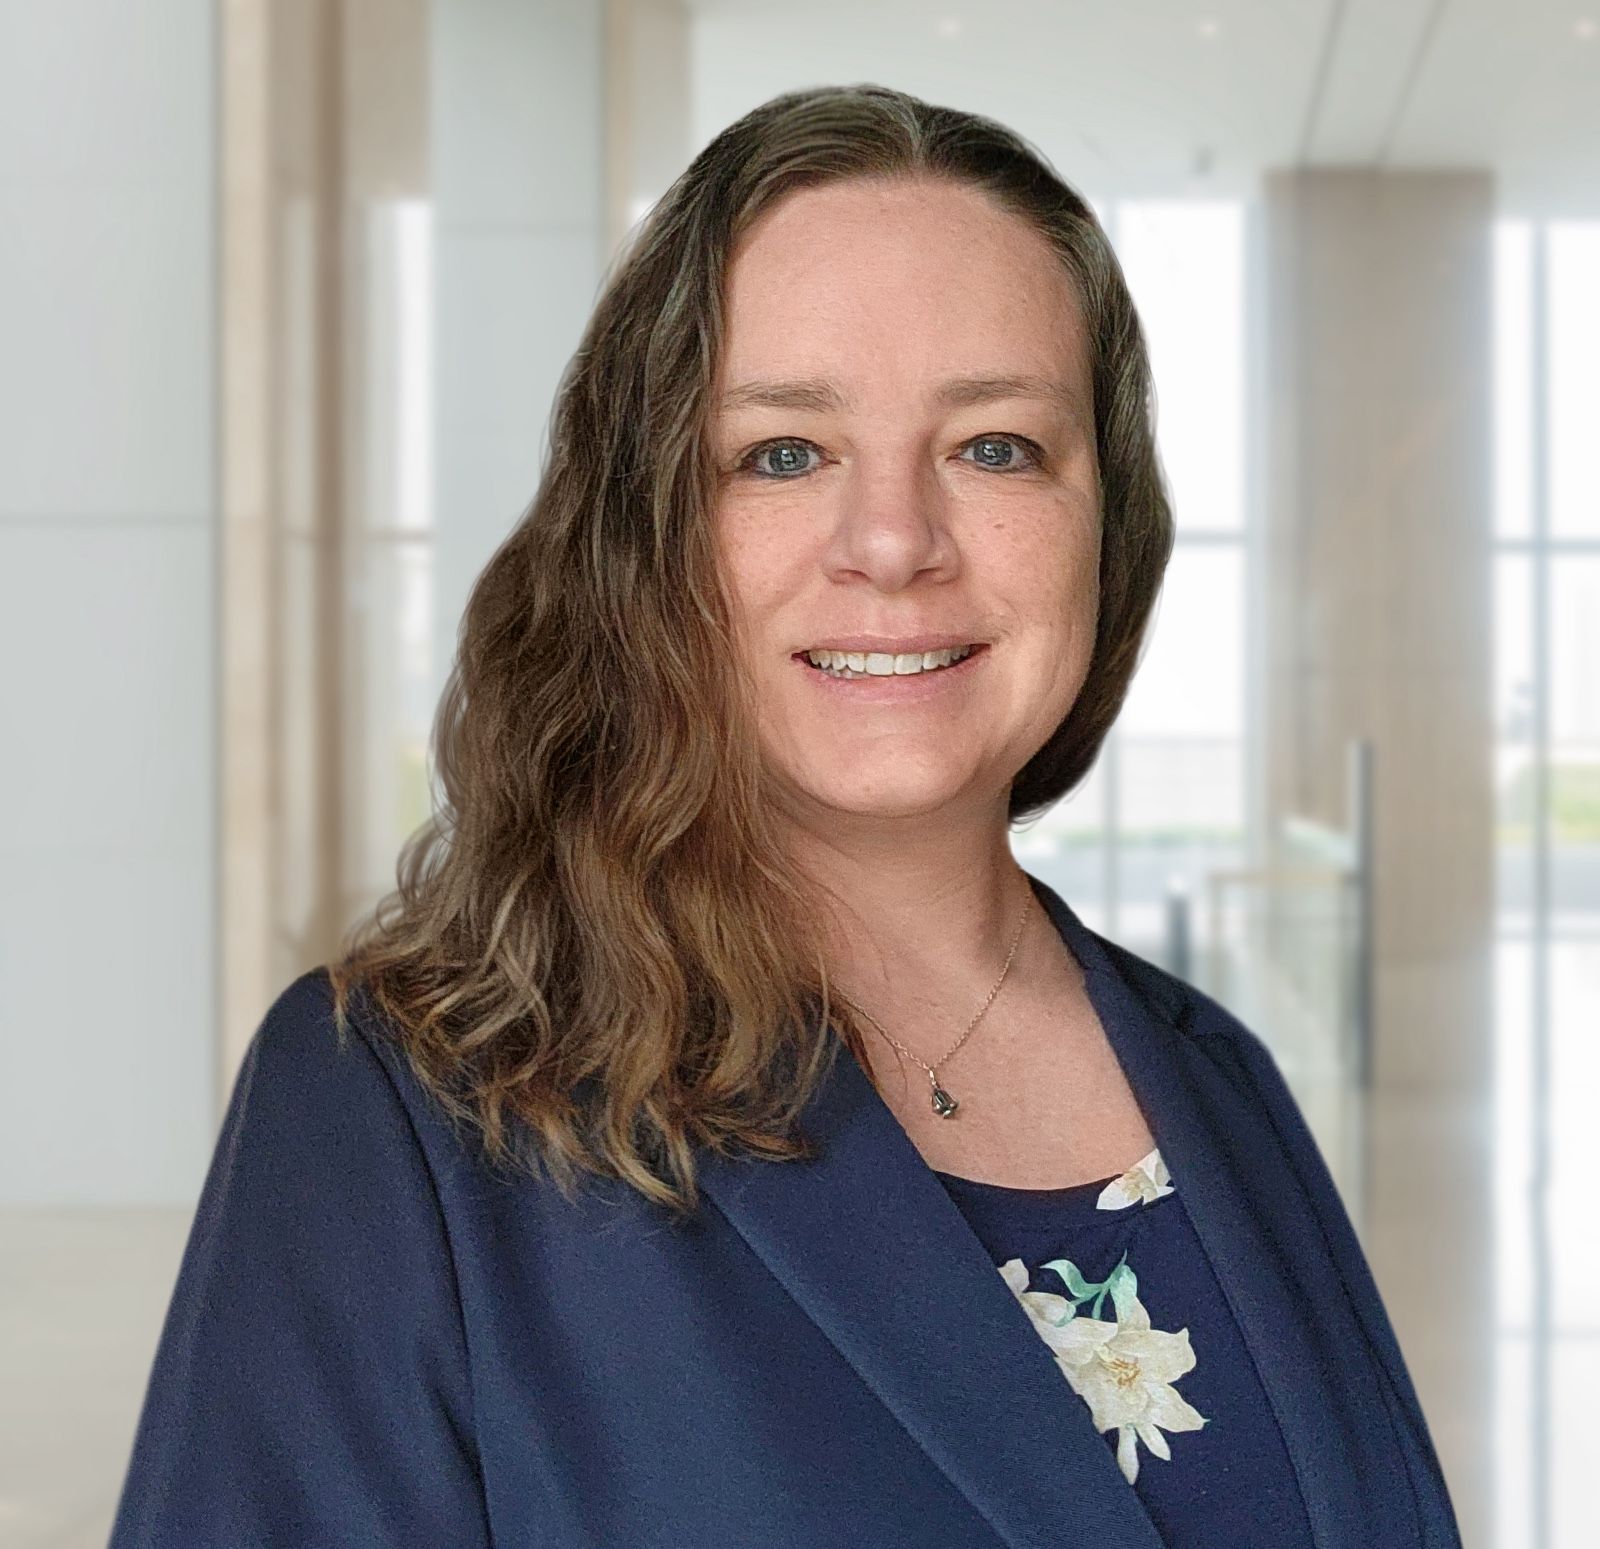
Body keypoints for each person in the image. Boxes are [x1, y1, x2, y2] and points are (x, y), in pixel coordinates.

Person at [108, 84, 1463, 1548]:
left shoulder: (1218, 1079)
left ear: (1107, 522)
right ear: (646, 534)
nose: (893, 541)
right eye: (782, 453)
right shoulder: (401, 1112)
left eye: (995, 445)